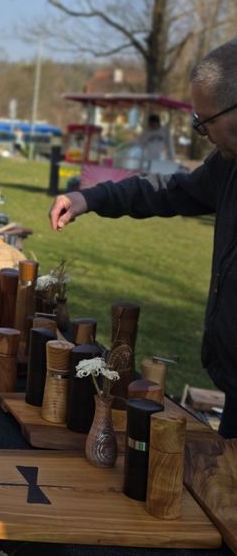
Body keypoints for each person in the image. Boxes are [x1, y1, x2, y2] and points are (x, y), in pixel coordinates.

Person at [48, 37, 237, 439]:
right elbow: (167, 190)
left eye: (205, 122)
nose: (200, 133)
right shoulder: (227, 166)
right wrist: (89, 197)